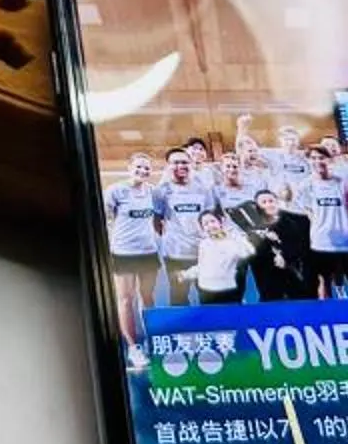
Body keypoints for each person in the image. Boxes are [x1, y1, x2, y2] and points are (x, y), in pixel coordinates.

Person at [103, 151, 164, 366]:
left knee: (147, 297)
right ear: (129, 168)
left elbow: (158, 218)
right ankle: (132, 347)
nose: (142, 171)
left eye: (146, 168)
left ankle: (152, 340)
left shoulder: (153, 193)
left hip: (148, 252)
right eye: (138, 167)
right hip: (123, 252)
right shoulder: (115, 191)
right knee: (126, 300)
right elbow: (105, 217)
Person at [303, 143, 348, 297]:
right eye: (313, 158)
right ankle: (329, 317)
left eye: (321, 157)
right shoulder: (305, 185)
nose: (318, 161)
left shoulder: (342, 182)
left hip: (346, 240)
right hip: (321, 241)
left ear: (329, 160)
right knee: (325, 280)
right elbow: (307, 211)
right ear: (309, 161)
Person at [154, 147, 212, 306]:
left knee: (208, 297)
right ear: (168, 166)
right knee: (179, 297)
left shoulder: (203, 188)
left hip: (202, 253)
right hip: (175, 255)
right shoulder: (161, 191)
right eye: (176, 162)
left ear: (191, 164)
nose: (181, 166)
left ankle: (212, 330)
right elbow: (156, 220)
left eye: (185, 162)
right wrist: (173, 237)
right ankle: (183, 331)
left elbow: (210, 216)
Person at [267, 116, 315, 296]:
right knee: (284, 256)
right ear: (280, 141)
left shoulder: (306, 160)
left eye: (293, 138)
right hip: (282, 214)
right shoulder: (273, 156)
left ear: (298, 141)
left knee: (307, 257)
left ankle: (309, 296)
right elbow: (244, 152)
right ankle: (288, 295)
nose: (290, 141)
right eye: (286, 138)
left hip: (304, 215)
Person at [193, 209, 255, 307]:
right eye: (205, 224)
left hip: (230, 287)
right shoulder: (204, 244)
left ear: (221, 222)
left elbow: (247, 252)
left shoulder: (234, 238)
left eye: (213, 221)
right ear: (202, 227)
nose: (210, 225)